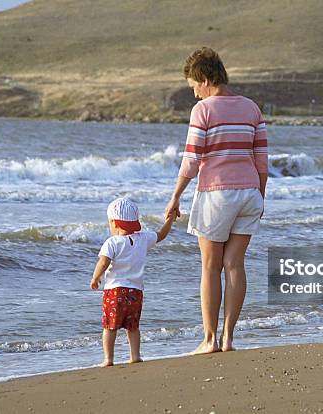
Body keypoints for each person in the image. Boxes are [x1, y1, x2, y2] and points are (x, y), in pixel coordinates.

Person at [165, 47, 268, 354]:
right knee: (234, 265)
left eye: (195, 87)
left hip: (216, 194)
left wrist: (175, 197)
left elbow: (191, 161)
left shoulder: (204, 110)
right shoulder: (252, 108)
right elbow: (262, 162)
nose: (195, 95)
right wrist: (258, 199)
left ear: (206, 79)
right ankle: (229, 338)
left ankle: (209, 340)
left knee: (210, 267)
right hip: (250, 193)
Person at [90, 197, 175, 367]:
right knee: (133, 327)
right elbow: (161, 235)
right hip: (135, 292)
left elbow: (103, 262)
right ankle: (135, 355)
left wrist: (95, 277)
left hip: (115, 292)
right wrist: (170, 219)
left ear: (114, 223)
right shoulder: (143, 238)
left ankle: (108, 359)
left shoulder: (111, 243)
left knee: (110, 326)